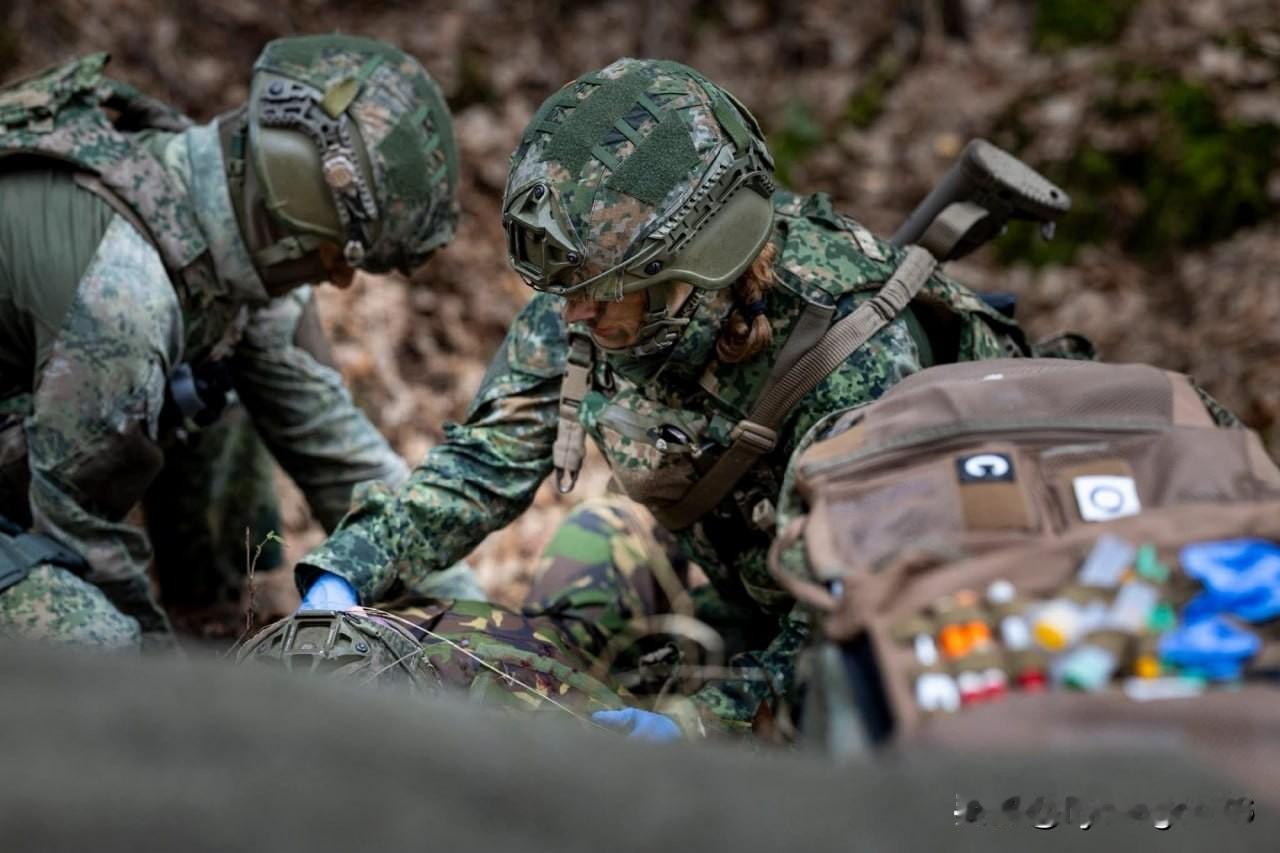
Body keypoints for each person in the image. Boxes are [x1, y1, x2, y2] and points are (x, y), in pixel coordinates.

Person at [295, 57, 1026, 736]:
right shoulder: (597, 291)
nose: (572, 316)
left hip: (866, 638)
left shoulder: (856, 357)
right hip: (736, 581)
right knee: (588, 552)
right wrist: (349, 565)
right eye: (566, 292)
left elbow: (856, 623)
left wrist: (701, 723)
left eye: (602, 295)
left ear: (695, 269)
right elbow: (488, 458)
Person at [0, 34, 463, 649]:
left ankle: (213, 617)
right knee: (97, 646)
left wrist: (473, 631)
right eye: (337, 253)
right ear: (293, 205)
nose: (340, 277)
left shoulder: (222, 234)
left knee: (222, 381)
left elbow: (342, 461)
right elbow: (78, 538)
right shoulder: (122, 295)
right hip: (41, 508)